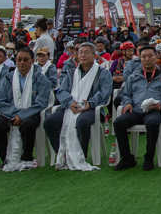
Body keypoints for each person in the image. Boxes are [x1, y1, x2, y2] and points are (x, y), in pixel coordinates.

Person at [45, 41, 111, 171]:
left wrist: (90, 103)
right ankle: (64, 153)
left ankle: (80, 155)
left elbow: (104, 92)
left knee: (82, 122)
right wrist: (70, 103)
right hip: (71, 107)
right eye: (80, 52)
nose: (82, 55)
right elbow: (62, 91)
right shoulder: (71, 73)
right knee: (49, 122)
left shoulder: (103, 73)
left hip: (92, 108)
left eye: (86, 52)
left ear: (94, 55)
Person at [0, 48, 52, 172]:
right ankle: (7, 159)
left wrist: (23, 115)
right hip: (10, 112)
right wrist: (17, 114)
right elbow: (0, 101)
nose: (22, 62)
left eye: (26, 60)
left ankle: (27, 157)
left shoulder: (41, 78)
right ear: (15, 61)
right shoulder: (8, 78)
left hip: (32, 112)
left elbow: (41, 102)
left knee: (27, 125)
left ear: (32, 61)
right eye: (19, 60)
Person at [113, 44, 161, 171]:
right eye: (144, 57)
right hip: (135, 110)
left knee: (152, 123)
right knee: (118, 123)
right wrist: (128, 102)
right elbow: (125, 94)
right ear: (140, 59)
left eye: (150, 56)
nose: (147, 59)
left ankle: (149, 157)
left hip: (153, 110)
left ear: (156, 57)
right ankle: (127, 158)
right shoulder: (133, 77)